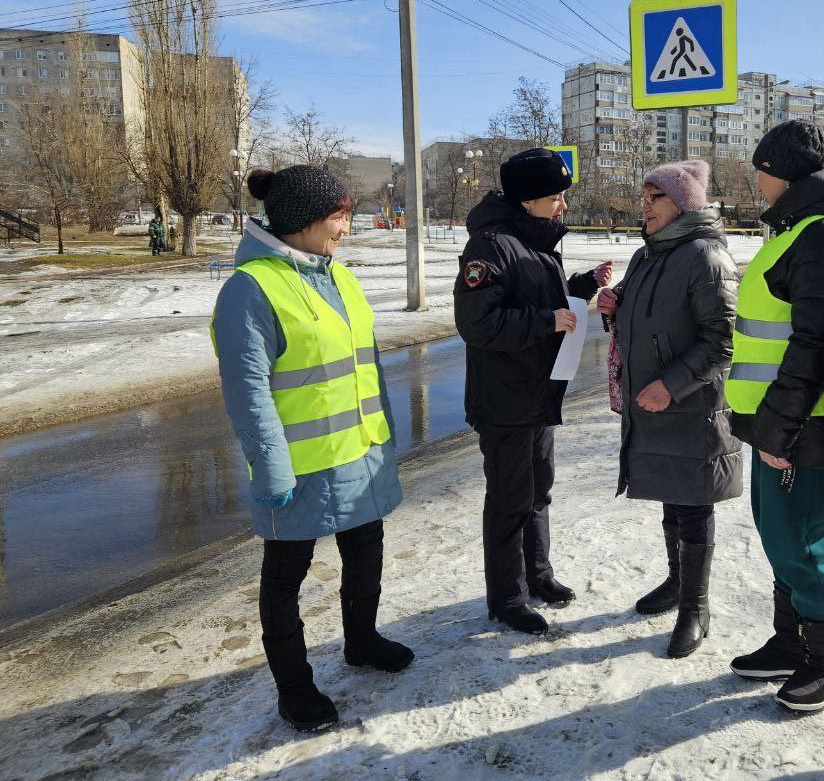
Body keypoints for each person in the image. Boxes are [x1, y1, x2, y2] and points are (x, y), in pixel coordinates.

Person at [211, 165, 411, 734]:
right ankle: (295, 689)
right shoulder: (250, 290)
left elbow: (365, 366)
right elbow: (247, 393)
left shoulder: (339, 277)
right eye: (339, 217)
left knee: (366, 552)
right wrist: (270, 470)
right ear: (303, 220)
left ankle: (363, 641)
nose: (347, 229)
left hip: (359, 450)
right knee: (284, 578)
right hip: (298, 467)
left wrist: (386, 431)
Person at [726, 121, 824, 712]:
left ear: (786, 173)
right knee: (780, 537)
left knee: (803, 542)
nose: (757, 179)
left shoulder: (823, 236)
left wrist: (779, 427)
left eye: (762, 168)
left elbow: (820, 344)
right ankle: (789, 643)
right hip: (783, 422)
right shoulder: (802, 230)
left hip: (803, 425)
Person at [454, 147, 612, 636]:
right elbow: (476, 322)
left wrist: (584, 288)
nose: (562, 204)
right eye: (554, 196)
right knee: (509, 499)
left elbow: (544, 296)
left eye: (562, 194)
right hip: (505, 401)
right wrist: (547, 321)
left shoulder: (533, 240)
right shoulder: (490, 245)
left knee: (539, 491)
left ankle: (538, 577)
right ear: (526, 201)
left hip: (538, 394)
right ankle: (507, 597)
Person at [597, 160, 741, 659]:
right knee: (669, 496)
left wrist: (670, 385)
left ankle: (695, 608)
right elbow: (644, 322)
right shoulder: (645, 255)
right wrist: (615, 308)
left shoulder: (706, 257)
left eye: (654, 196)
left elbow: (724, 340)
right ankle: (678, 583)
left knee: (693, 502)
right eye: (644, 194)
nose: (644, 203)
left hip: (692, 406)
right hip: (652, 404)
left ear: (682, 204)